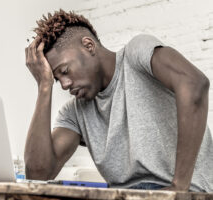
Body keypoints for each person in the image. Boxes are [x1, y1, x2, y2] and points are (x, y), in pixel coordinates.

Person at [24, 9, 213, 192]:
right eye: (56, 79)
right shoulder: (75, 112)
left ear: (89, 46)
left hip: (188, 193)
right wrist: (44, 86)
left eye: (65, 71)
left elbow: (194, 83)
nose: (64, 85)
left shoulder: (136, 54)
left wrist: (179, 186)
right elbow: (37, 175)